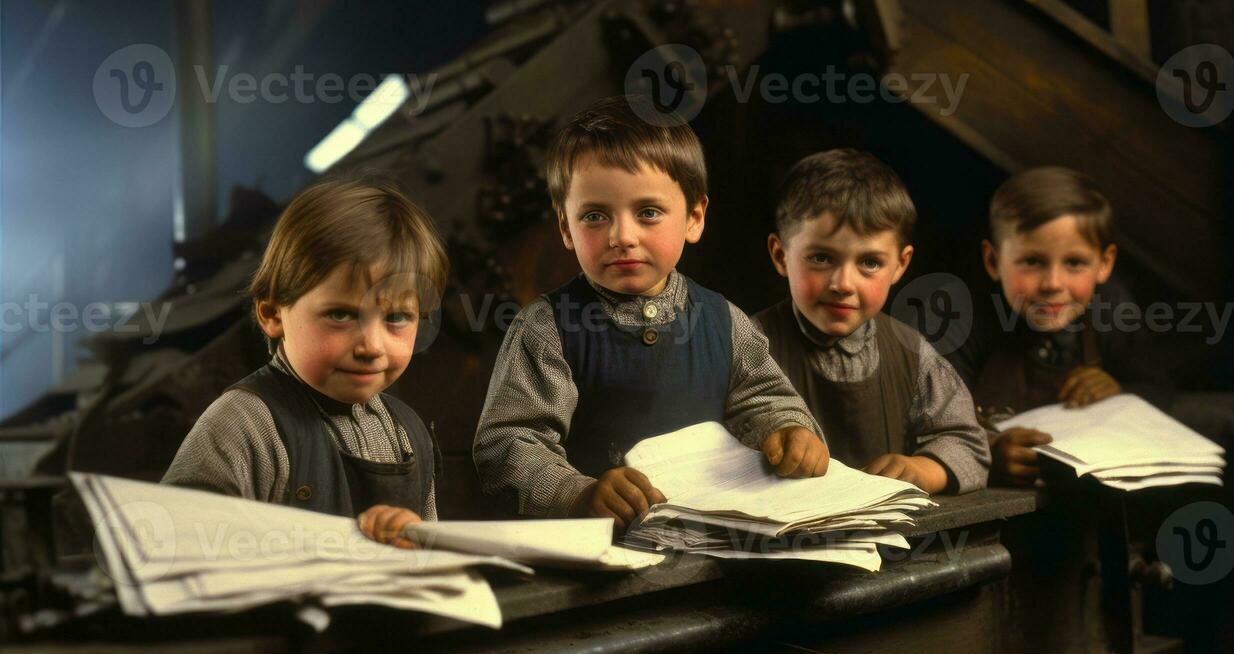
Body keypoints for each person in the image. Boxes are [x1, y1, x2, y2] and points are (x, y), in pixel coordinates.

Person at [473, 95, 828, 529]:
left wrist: (790, 432)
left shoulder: (724, 321)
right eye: (595, 216)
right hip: (599, 559)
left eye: (648, 212)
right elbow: (508, 444)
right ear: (566, 227)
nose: (622, 236)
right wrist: (578, 494)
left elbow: (764, 400)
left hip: (718, 546)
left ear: (694, 217)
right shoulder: (546, 328)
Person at [164, 174, 448, 546]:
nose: (371, 346)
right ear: (272, 315)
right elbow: (176, 548)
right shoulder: (244, 426)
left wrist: (414, 544)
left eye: (396, 318)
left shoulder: (408, 433)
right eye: (341, 315)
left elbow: (431, 556)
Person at [753, 149, 988, 495]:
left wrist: (921, 469)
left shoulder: (912, 353)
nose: (843, 284)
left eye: (870, 263)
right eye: (821, 258)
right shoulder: (747, 342)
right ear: (781, 255)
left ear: (900, 265)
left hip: (892, 545)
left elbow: (969, 445)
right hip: (774, 541)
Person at [950, 166, 1161, 485]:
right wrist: (988, 450)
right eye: (1032, 262)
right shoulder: (962, 320)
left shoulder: (1113, 308)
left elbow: (1158, 387)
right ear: (993, 262)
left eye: (1074, 263)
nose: (1053, 284)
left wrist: (1119, 391)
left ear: (1104, 264)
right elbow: (933, 422)